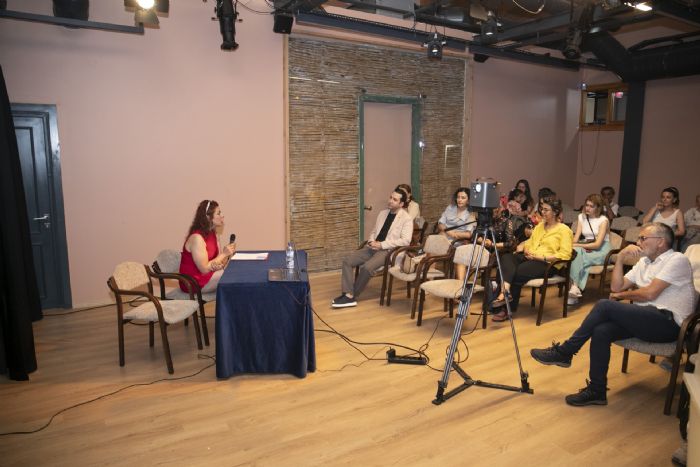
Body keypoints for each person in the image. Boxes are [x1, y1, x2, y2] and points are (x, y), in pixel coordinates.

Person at [530, 222, 696, 406]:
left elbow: (650, 293)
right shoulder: (644, 262)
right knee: (602, 331)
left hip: (670, 325)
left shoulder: (677, 260)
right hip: (647, 319)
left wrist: (620, 296)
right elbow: (617, 286)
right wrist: (620, 258)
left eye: (643, 238)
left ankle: (565, 351)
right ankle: (597, 390)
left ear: (660, 242)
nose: (638, 242)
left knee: (604, 305)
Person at [491, 199, 573, 322]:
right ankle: (505, 291)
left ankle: (505, 309)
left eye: (546, 210)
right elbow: (530, 242)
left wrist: (539, 257)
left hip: (547, 263)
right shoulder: (540, 226)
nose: (542, 212)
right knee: (506, 258)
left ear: (555, 212)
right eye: (542, 209)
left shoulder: (564, 230)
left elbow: (565, 255)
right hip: (530, 257)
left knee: (516, 272)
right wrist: (526, 249)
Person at [332, 189, 413, 308]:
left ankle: (351, 296)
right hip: (373, 247)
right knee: (347, 261)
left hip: (388, 251)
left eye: (394, 199)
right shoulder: (382, 213)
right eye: (390, 197)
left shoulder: (406, 219)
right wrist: (371, 241)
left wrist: (382, 245)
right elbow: (374, 231)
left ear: (401, 204)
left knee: (367, 267)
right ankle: (348, 294)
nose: (390, 201)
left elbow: (405, 241)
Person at [179, 200, 236, 293]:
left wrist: (220, 263)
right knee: (231, 274)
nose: (222, 215)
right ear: (208, 217)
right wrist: (224, 254)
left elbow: (218, 262)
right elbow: (204, 269)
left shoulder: (214, 234)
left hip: (208, 275)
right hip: (193, 282)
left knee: (233, 271)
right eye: (218, 213)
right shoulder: (197, 238)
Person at [568, 194, 611, 305]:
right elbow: (576, 238)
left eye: (591, 206)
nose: (587, 208)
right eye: (587, 205)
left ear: (598, 208)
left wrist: (578, 245)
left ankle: (574, 287)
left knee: (576, 257)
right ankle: (574, 289)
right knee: (575, 253)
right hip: (586, 246)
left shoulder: (603, 220)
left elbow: (597, 245)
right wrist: (572, 245)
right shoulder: (581, 217)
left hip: (602, 250)